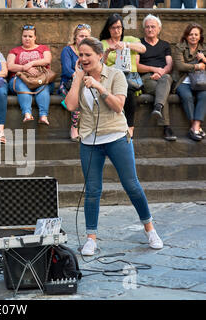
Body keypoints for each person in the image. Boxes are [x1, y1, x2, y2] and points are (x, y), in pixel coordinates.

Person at [64, 37, 163, 256]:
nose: (83, 58)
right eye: (80, 55)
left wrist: (99, 86)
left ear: (100, 55)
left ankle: (150, 229)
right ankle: (91, 238)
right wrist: (78, 79)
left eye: (88, 54)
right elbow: (71, 105)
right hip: (90, 140)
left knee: (131, 185)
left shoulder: (116, 75)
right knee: (92, 190)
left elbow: (119, 106)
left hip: (117, 136)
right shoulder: (79, 76)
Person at [100, 14, 147, 138]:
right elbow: (100, 65)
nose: (117, 30)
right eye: (114, 27)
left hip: (130, 77)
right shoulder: (103, 43)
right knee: (123, 88)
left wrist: (126, 45)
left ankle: (130, 126)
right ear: (108, 29)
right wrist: (107, 52)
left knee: (127, 89)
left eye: (119, 27)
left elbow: (143, 49)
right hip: (112, 77)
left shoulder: (130, 39)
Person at [136, 14, 177, 141]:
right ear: (144, 29)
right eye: (147, 27)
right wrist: (154, 70)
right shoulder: (139, 43)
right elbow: (137, 66)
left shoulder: (165, 45)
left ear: (159, 29)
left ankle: (158, 107)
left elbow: (169, 65)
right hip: (146, 78)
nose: (150, 29)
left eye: (153, 27)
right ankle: (166, 127)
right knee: (162, 92)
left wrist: (161, 73)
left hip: (163, 76)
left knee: (165, 80)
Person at [7, 24, 53, 125]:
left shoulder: (43, 48)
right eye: (25, 36)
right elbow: (10, 66)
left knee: (43, 88)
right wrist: (24, 68)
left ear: (35, 37)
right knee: (21, 85)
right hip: (19, 79)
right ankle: (27, 113)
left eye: (30, 36)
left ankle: (43, 116)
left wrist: (31, 64)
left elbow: (47, 60)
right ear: (21, 37)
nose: (27, 38)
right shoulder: (14, 51)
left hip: (40, 79)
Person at [172, 23, 206, 141]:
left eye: (196, 34)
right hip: (182, 81)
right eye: (190, 34)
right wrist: (197, 66)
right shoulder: (179, 47)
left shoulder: (204, 48)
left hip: (200, 81)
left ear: (200, 36)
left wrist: (204, 60)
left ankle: (195, 127)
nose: (193, 37)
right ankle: (196, 128)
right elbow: (180, 66)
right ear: (186, 36)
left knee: (204, 96)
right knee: (187, 97)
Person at [59, 23, 91, 141]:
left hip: (87, 83)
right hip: (67, 84)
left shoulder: (90, 51)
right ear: (75, 37)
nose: (84, 39)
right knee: (78, 97)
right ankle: (74, 128)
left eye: (86, 37)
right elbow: (67, 69)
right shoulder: (67, 50)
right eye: (81, 36)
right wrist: (79, 78)